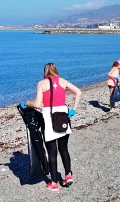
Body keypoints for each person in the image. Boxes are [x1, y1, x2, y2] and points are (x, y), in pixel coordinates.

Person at [24, 63, 82, 191]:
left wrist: (28, 103)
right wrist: (74, 109)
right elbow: (78, 92)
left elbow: (38, 104)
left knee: (52, 152)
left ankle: (54, 183)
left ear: (45, 71)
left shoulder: (41, 83)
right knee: (64, 148)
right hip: (63, 117)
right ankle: (68, 175)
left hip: (48, 118)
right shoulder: (62, 81)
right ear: (56, 70)